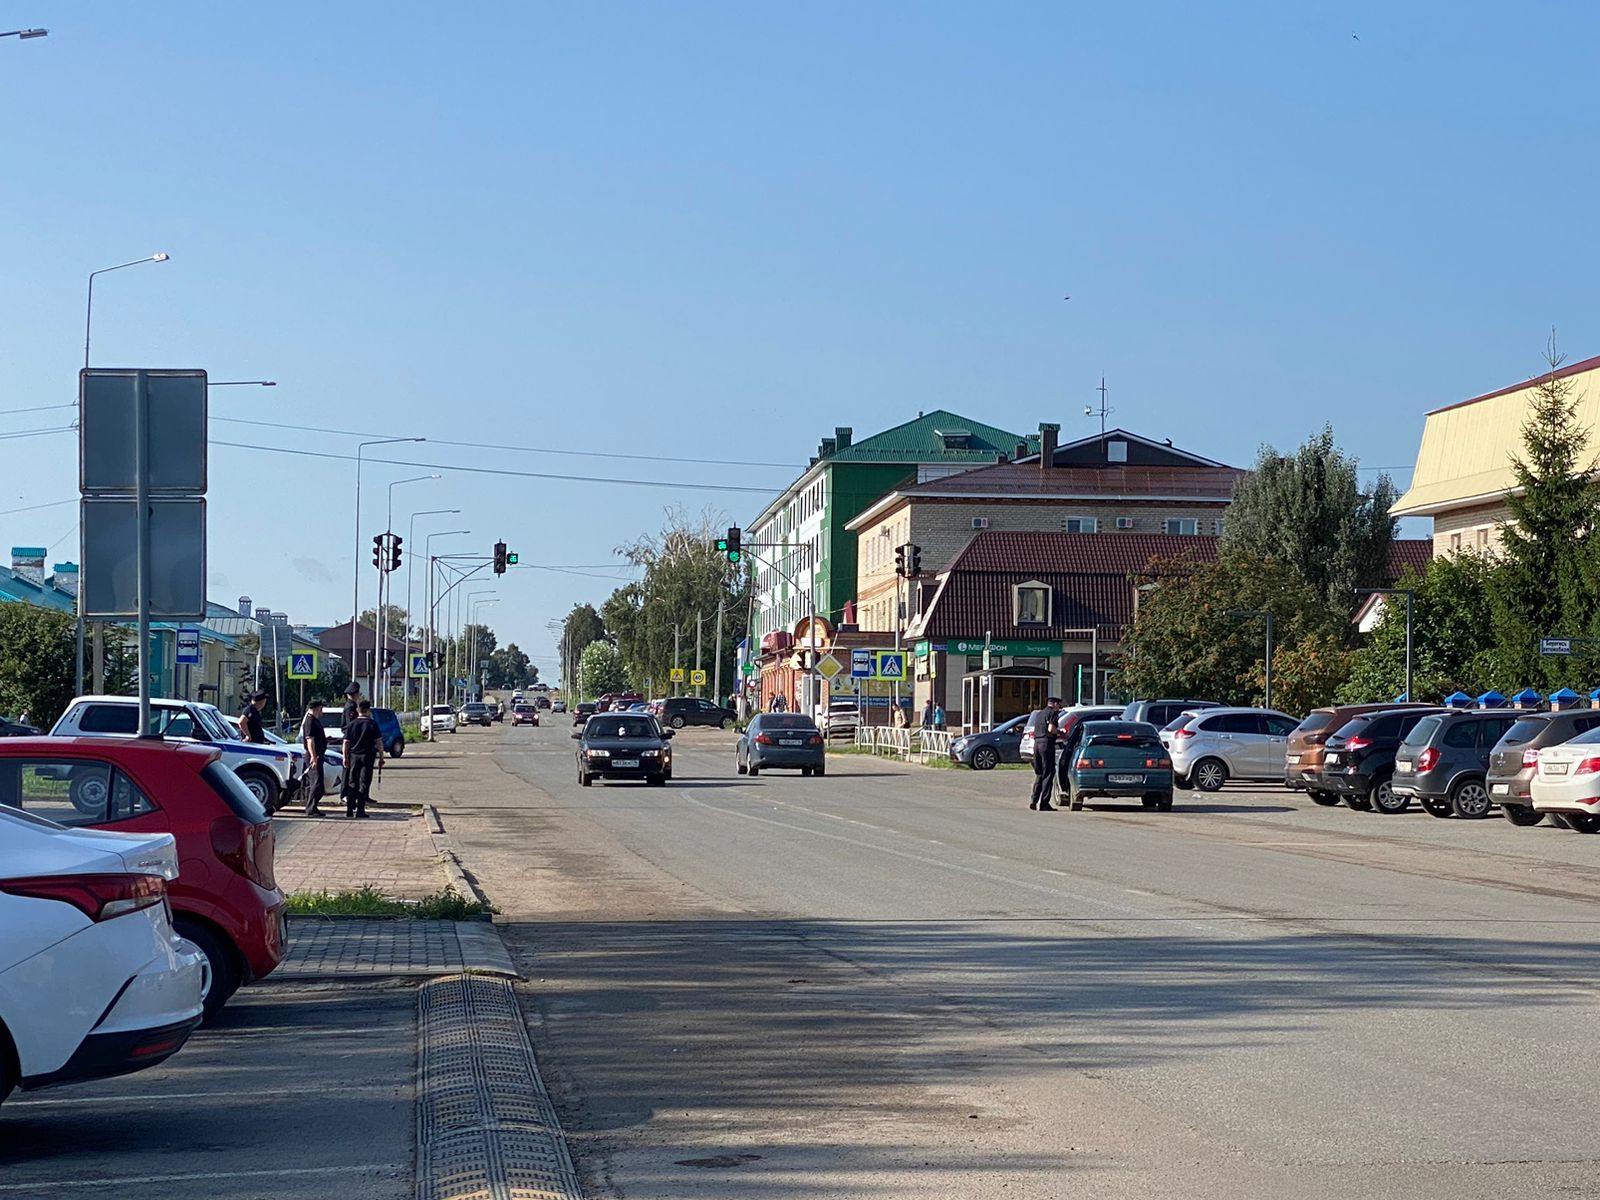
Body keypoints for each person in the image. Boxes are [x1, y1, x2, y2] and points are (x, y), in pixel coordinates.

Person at [341, 700, 381, 819]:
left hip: (354, 757)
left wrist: (345, 757)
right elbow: (379, 742)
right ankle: (360, 810)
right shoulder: (372, 724)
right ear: (368, 710)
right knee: (364, 783)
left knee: (352, 782)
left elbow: (345, 743)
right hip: (367, 757)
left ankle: (349, 809)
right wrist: (382, 757)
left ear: (358, 710)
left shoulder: (351, 725)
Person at [1027, 696, 1063, 811]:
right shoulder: (1052, 713)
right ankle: (1044, 803)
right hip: (1046, 744)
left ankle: (1034, 800)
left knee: (1039, 773)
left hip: (1036, 745)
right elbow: (1051, 729)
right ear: (1055, 704)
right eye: (1059, 705)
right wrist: (1060, 733)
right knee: (1049, 773)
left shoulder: (1039, 714)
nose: (1059, 707)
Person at [300, 699, 329, 818]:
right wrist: (313, 756)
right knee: (316, 782)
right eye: (321, 708)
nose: (322, 711)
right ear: (317, 709)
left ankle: (314, 806)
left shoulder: (314, 720)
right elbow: (310, 740)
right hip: (313, 756)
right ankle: (310, 808)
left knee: (319, 784)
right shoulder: (310, 721)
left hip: (318, 755)